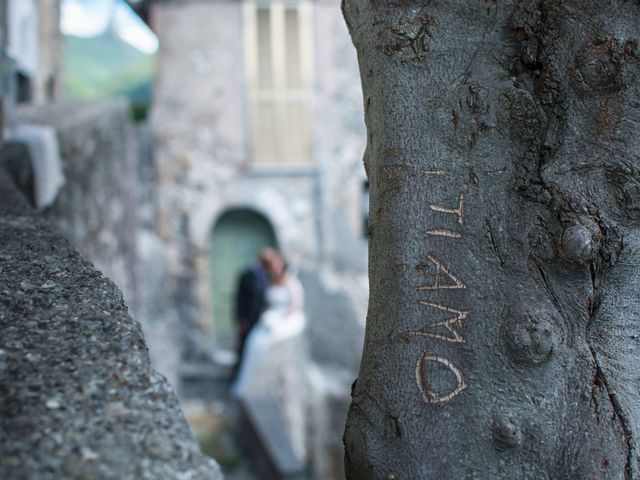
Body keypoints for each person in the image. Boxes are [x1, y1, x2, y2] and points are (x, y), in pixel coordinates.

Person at [231, 251, 305, 397]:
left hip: (282, 318)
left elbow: (295, 305)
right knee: (252, 344)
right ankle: (245, 380)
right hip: (262, 319)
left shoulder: (290, 283)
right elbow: (260, 301)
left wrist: (282, 317)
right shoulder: (267, 280)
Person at [233, 248, 276, 378]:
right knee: (243, 347)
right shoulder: (246, 275)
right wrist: (240, 318)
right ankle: (237, 374)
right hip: (247, 318)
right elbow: (239, 298)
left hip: (260, 319)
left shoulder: (266, 276)